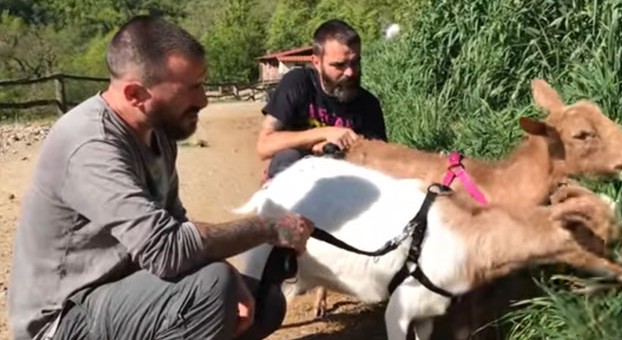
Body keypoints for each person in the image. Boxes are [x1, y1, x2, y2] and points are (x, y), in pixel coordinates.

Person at [7, 15, 314, 340]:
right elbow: (166, 249)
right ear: (136, 94)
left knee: (263, 304)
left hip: (119, 297)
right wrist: (268, 228)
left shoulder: (158, 132)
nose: (204, 100)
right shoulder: (88, 143)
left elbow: (174, 221)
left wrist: (227, 271)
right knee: (213, 288)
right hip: (62, 321)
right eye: (192, 88)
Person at [256, 19, 388, 180]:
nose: (350, 73)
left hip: (346, 186)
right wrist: (324, 134)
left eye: (355, 63)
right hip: (295, 182)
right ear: (316, 63)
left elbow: (380, 161)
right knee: (287, 159)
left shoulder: (369, 105)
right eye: (339, 65)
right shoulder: (298, 83)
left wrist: (333, 151)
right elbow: (264, 145)